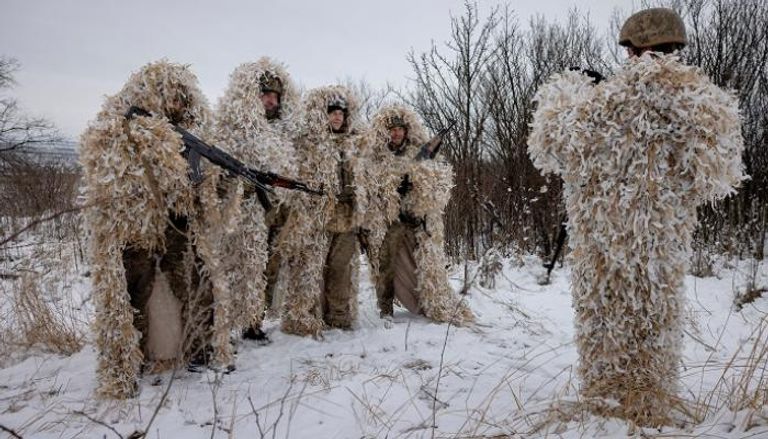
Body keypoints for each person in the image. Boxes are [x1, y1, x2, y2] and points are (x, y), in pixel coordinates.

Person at [527, 8, 746, 425]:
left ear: (631, 49)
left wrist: (570, 87)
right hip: (660, 245)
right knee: (654, 324)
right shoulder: (702, 102)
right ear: (676, 46)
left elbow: (550, 141)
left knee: (604, 326)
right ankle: (650, 405)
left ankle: (606, 406)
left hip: (600, 250)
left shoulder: (602, 102)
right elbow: (719, 176)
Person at [81, 60, 236, 398]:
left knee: (196, 285)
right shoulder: (121, 129)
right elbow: (109, 178)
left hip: (177, 227)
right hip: (136, 227)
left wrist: (218, 183)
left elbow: (203, 187)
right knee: (134, 290)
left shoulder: (195, 135)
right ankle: (129, 361)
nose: (178, 105)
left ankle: (200, 350)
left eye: (183, 99)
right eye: (172, 98)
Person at [362, 104, 473, 325]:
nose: (396, 133)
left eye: (399, 129)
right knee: (385, 263)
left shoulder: (418, 154)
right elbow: (374, 188)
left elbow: (435, 182)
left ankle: (428, 301)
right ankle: (385, 308)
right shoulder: (379, 159)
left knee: (424, 262)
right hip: (392, 221)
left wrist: (417, 187)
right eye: (392, 129)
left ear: (405, 131)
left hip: (417, 220)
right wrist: (395, 189)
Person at [215, 57, 301, 343]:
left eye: (275, 96)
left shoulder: (284, 131)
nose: (270, 100)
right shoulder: (235, 127)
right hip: (242, 209)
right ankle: (224, 326)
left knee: (260, 268)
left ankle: (253, 321)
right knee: (233, 266)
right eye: (265, 94)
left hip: (274, 210)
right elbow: (220, 168)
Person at [277, 85, 370, 336]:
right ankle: (305, 316)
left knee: (341, 268)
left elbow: (366, 180)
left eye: (341, 112)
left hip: (347, 217)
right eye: (332, 112)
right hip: (317, 216)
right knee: (312, 268)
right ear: (323, 115)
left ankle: (338, 317)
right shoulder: (309, 144)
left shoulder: (356, 145)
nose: (337, 116)